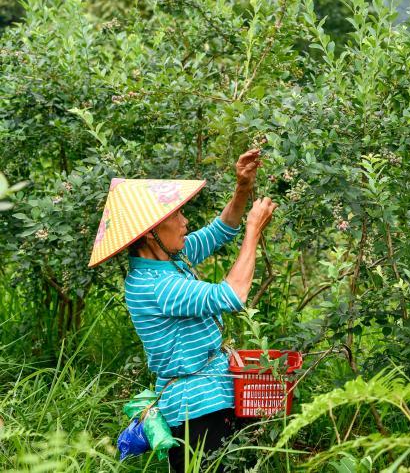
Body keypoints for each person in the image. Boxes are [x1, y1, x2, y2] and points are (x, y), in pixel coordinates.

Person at [88, 150, 277, 472]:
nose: (185, 221)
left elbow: (220, 230)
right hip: (196, 410)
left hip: (215, 394)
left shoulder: (171, 260)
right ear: (150, 232)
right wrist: (253, 230)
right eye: (176, 215)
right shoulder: (155, 285)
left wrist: (243, 187)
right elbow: (233, 293)